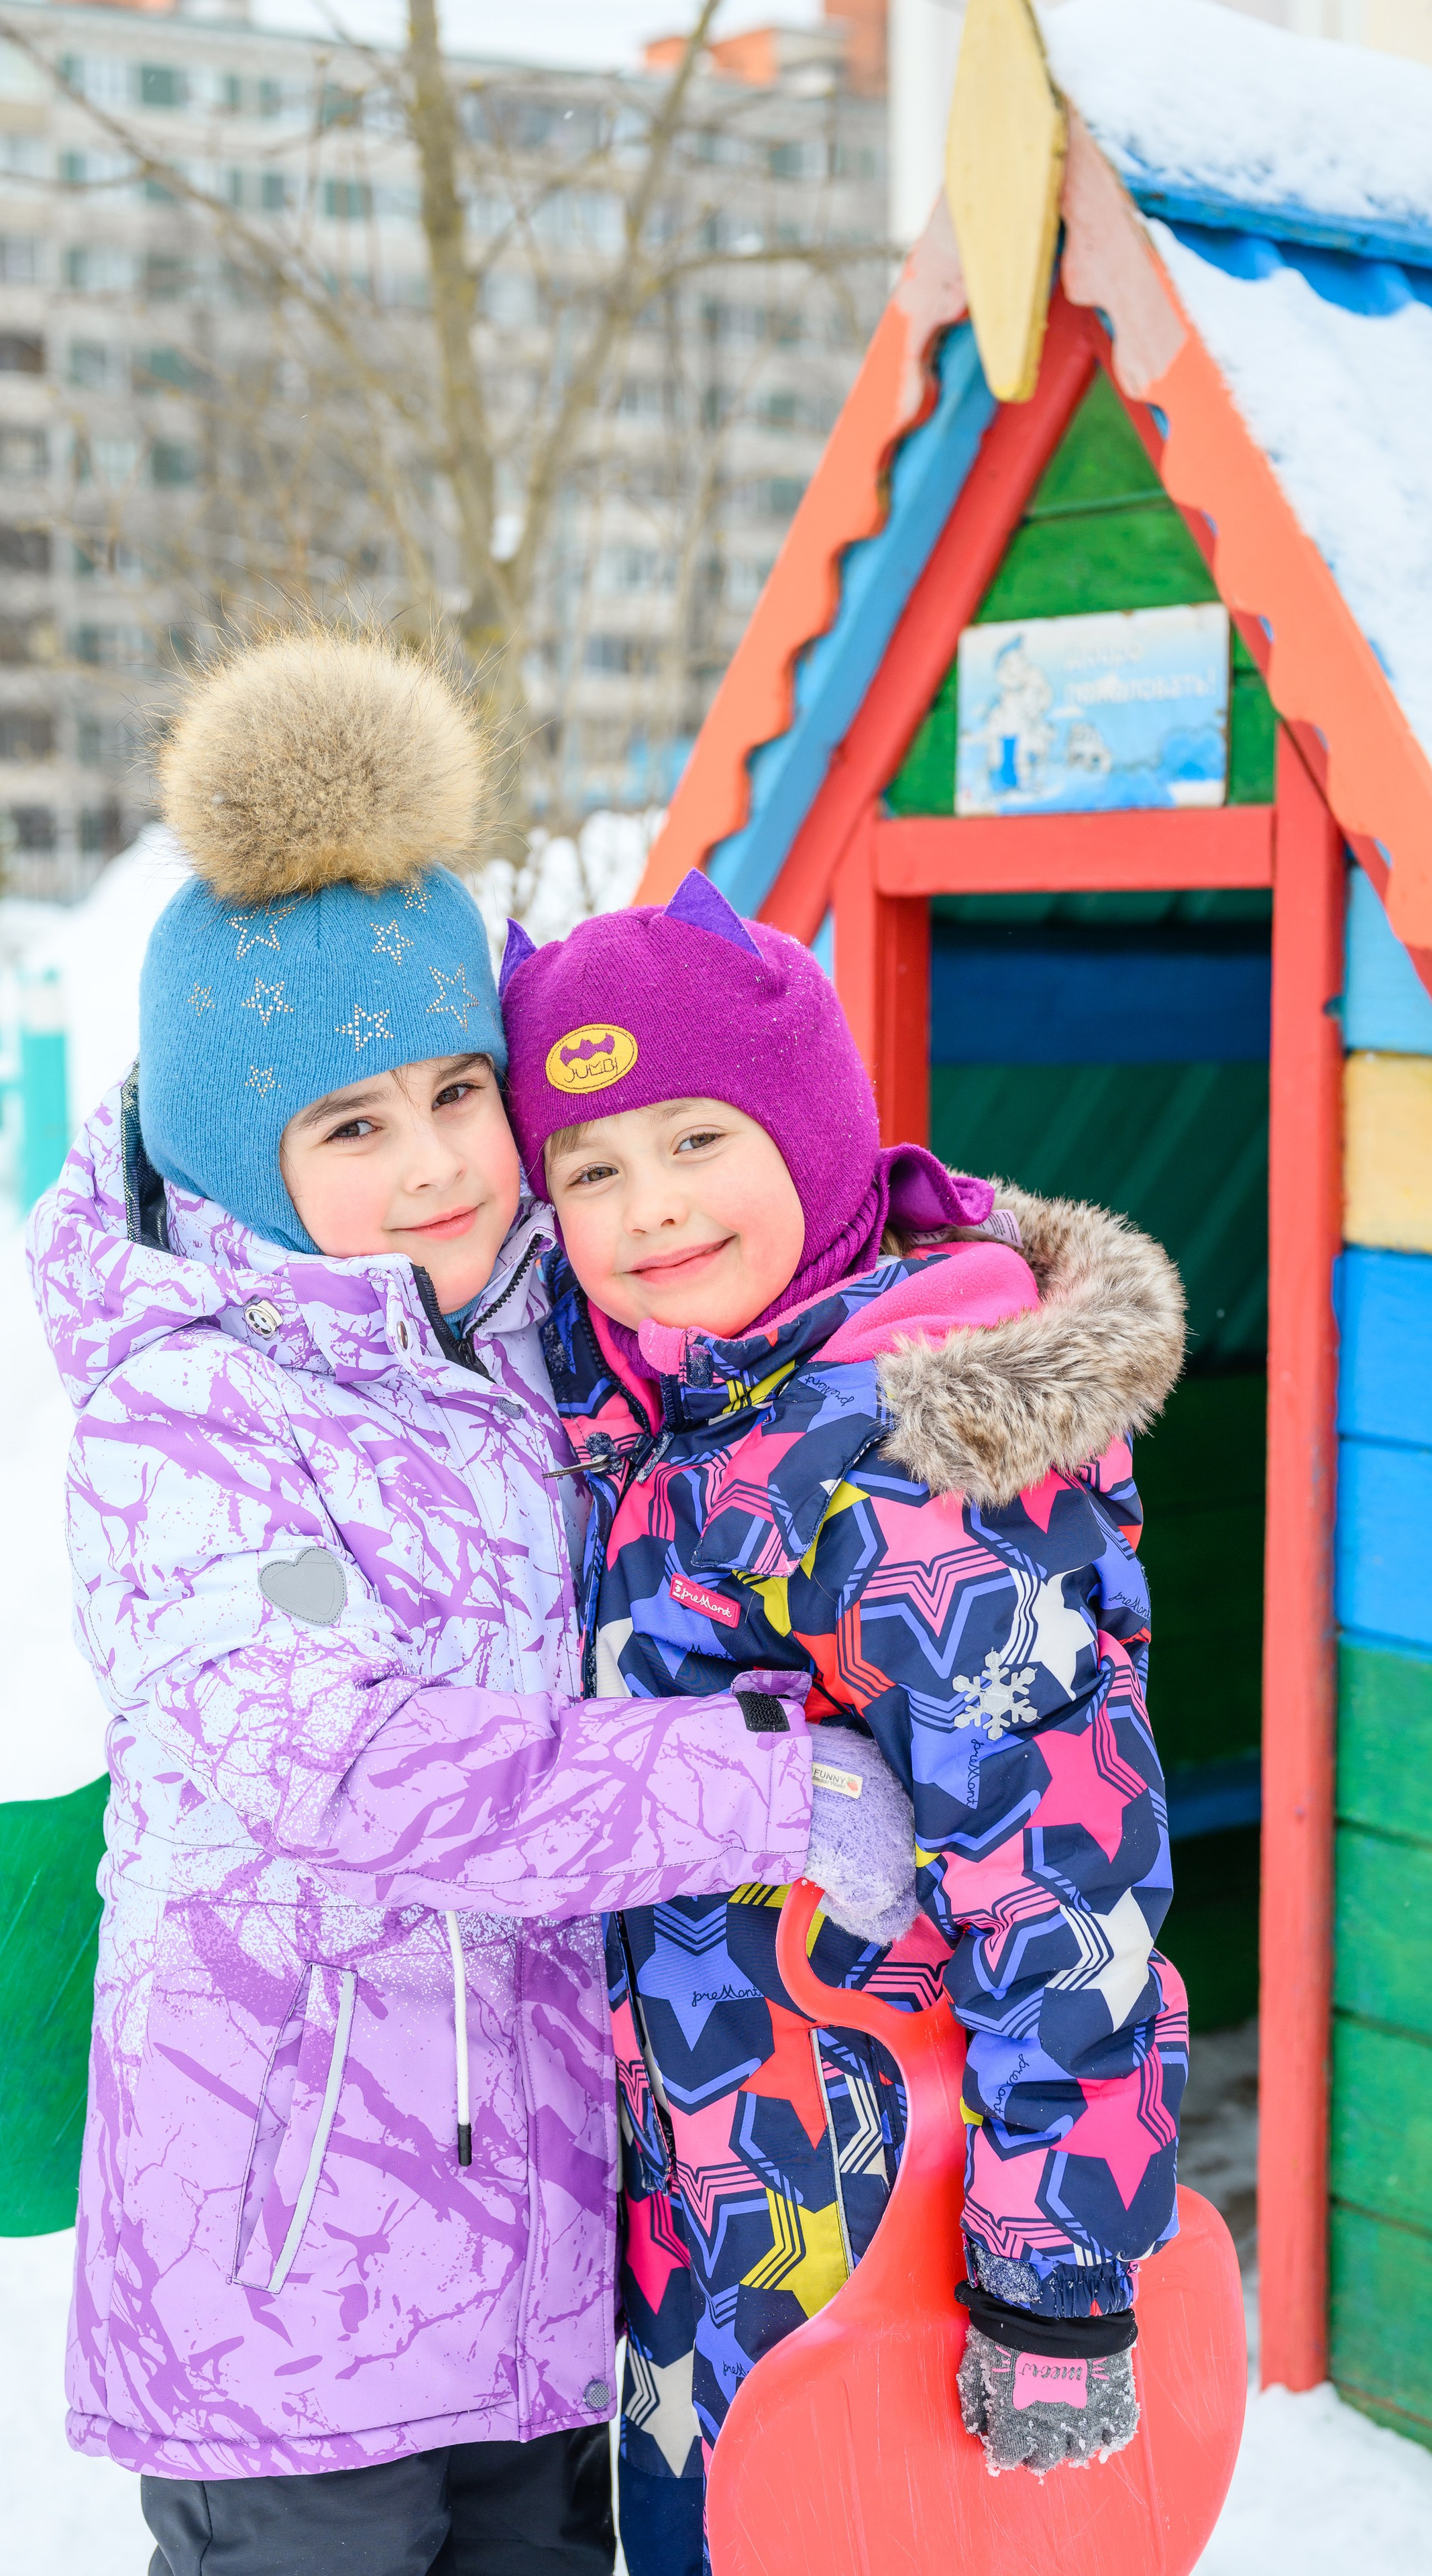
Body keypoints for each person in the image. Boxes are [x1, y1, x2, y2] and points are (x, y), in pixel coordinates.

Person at [27, 635, 881, 2576]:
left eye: (456, 1094)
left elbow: (787, 1246)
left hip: (535, 2257)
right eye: (349, 1127)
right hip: (284, 2266)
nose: (430, 1167)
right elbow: (360, 1775)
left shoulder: (534, 1338)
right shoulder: (185, 1408)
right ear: (245, 1152)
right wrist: (768, 1787)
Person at [499, 869, 1189, 2575]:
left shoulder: (903, 1463)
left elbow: (1062, 1871)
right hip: (700, 2229)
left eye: (692, 1139)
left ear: (810, 1134)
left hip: (876, 2236)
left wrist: (1051, 2274)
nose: (647, 1206)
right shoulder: (650, 1414)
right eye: (588, 1169)